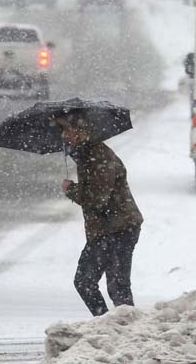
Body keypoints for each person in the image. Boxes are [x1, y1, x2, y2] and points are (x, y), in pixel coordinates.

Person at [56, 111, 144, 316]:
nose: (63, 135)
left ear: (82, 129)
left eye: (66, 129)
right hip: (109, 228)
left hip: (117, 228)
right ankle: (115, 330)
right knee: (112, 286)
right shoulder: (87, 154)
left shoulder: (98, 156)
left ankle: (113, 330)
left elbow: (97, 199)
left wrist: (70, 190)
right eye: (60, 130)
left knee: (98, 283)